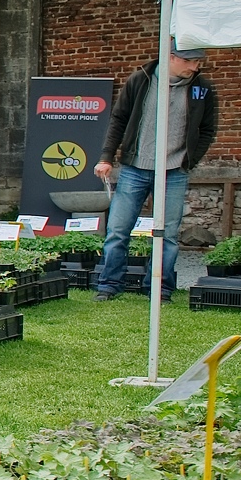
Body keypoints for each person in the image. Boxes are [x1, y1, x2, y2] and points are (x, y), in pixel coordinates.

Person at [96, 42, 218, 301]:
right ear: (172, 57)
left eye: (198, 62)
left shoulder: (202, 89)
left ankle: (159, 289)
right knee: (118, 230)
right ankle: (109, 285)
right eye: (190, 61)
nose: (196, 67)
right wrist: (106, 157)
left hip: (174, 171)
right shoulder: (140, 80)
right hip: (134, 168)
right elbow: (118, 119)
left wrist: (189, 160)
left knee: (168, 235)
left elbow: (207, 130)